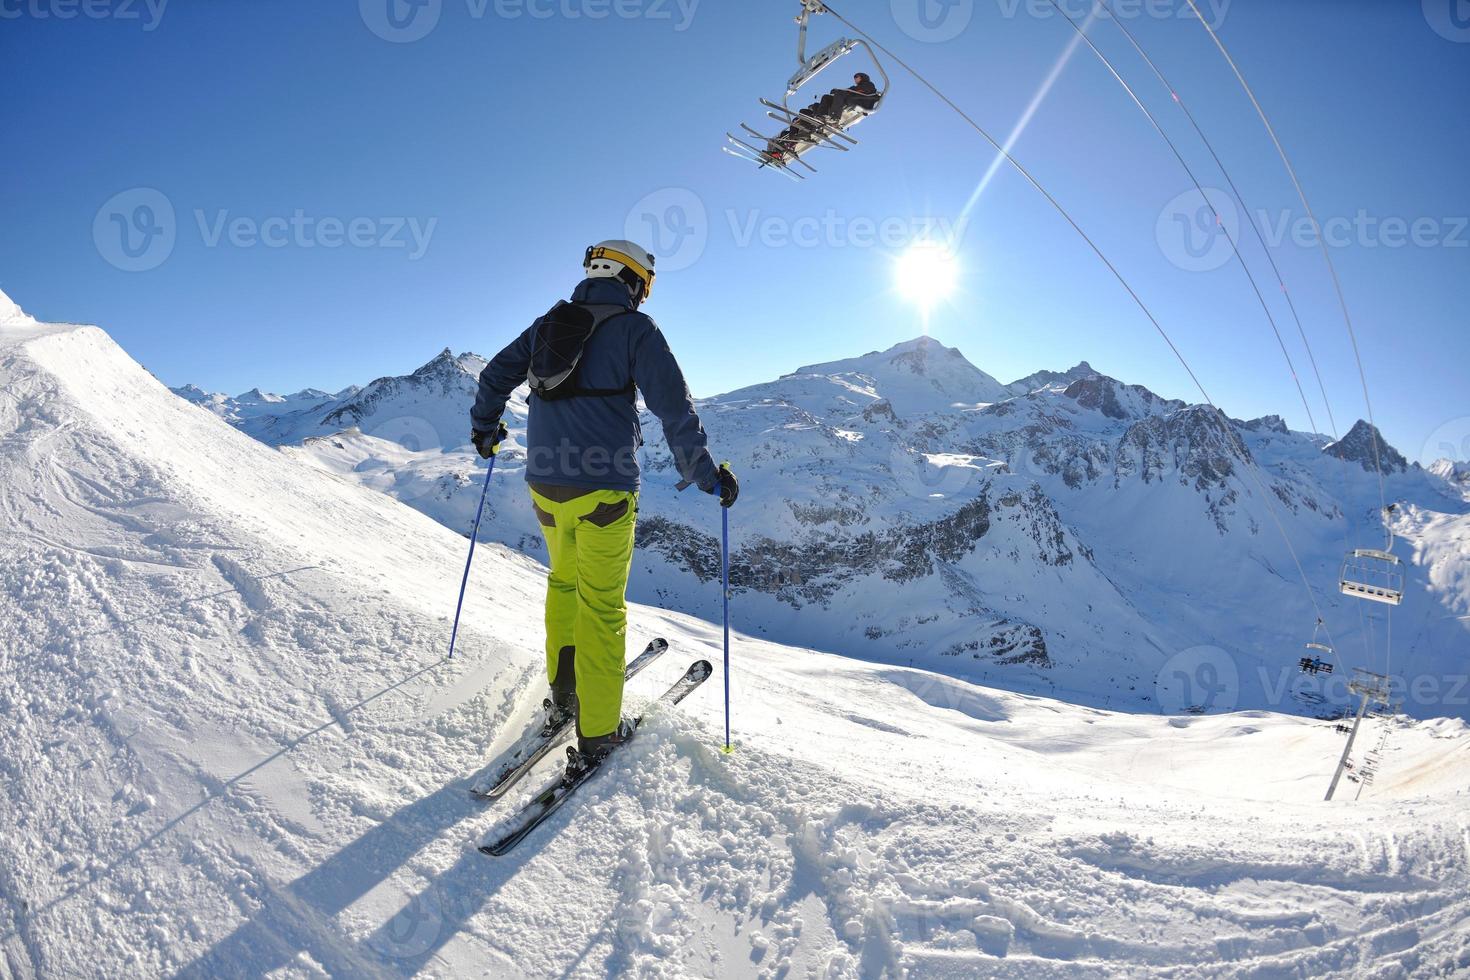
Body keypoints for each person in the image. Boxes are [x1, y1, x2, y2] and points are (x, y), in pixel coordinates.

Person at [469, 239, 739, 770]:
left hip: (545, 488)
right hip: (605, 493)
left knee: (563, 585)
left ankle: (565, 696)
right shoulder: (637, 330)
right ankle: (598, 733)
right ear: (633, 280)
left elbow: (494, 376)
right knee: (601, 607)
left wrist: (485, 430)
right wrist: (708, 477)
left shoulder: (549, 323)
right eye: (645, 284)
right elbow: (674, 409)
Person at [767, 72, 880, 159]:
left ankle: (833, 118)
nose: (856, 80)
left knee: (798, 119)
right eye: (855, 78)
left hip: (860, 101)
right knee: (821, 100)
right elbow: (850, 91)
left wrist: (841, 91)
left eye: (857, 77)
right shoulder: (857, 87)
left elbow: (859, 92)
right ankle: (817, 119)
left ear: (863, 77)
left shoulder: (868, 85)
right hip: (850, 100)